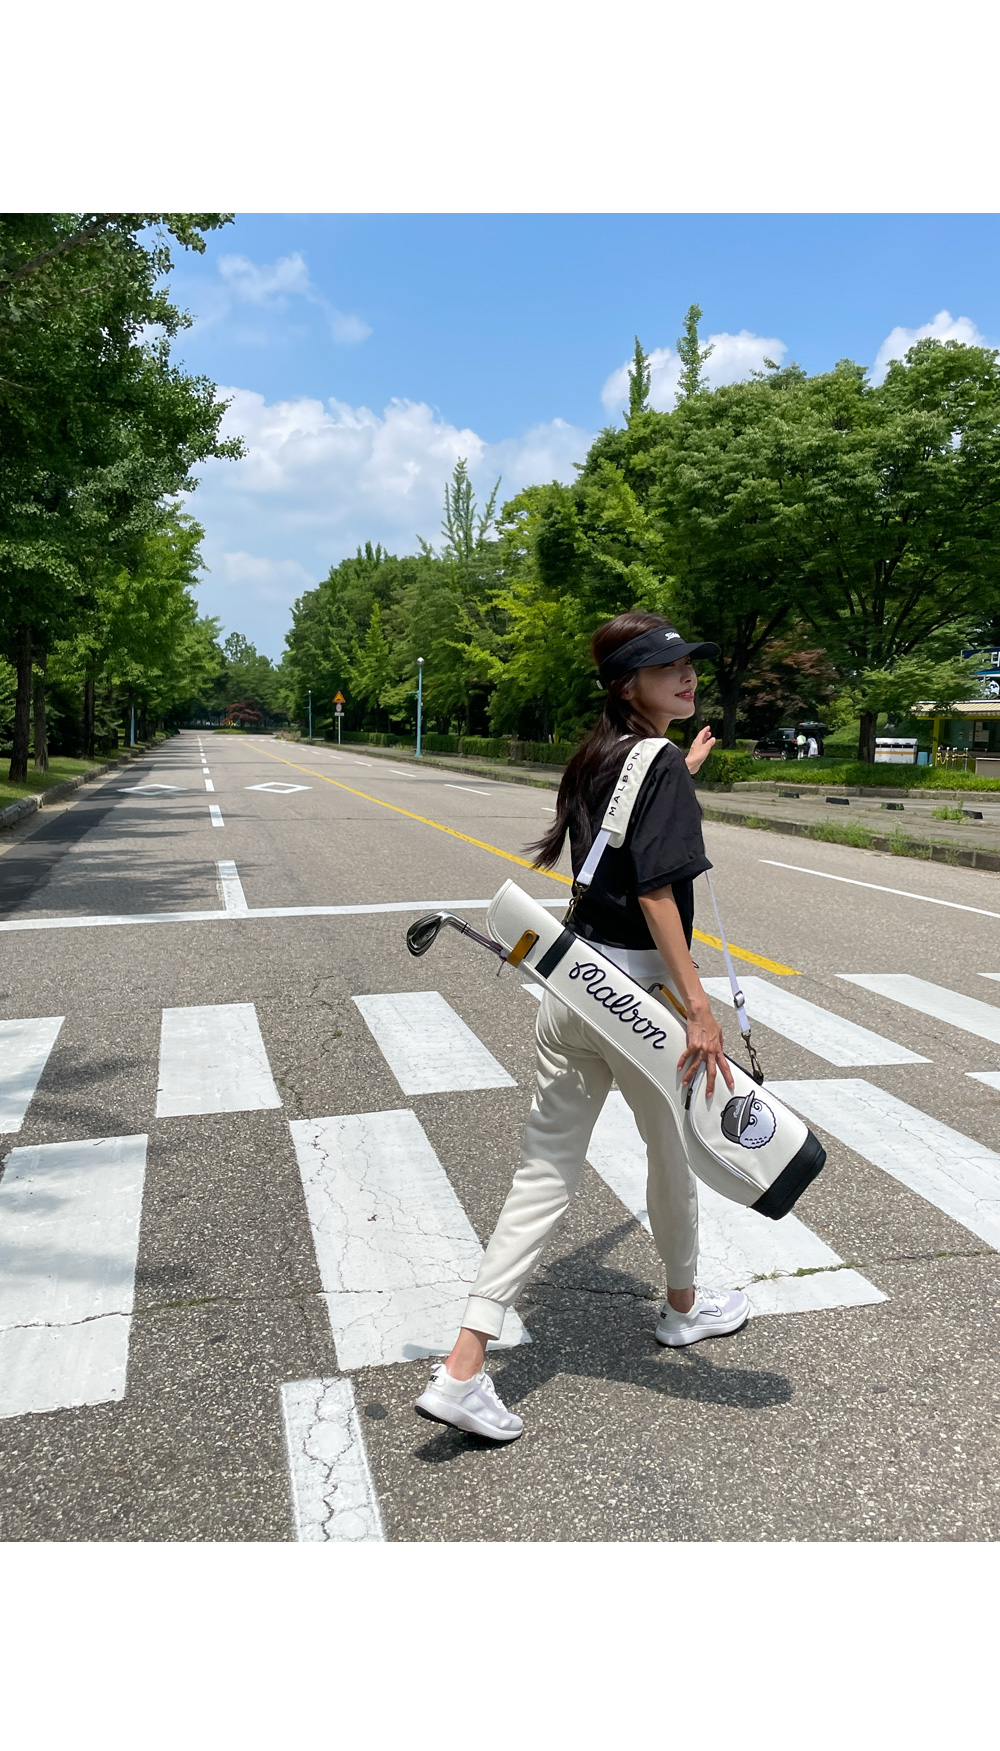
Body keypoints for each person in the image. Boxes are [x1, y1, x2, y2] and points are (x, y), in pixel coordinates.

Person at [415, 611, 751, 1443]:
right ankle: (682, 1307)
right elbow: (655, 893)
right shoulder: (655, 763)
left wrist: (681, 770)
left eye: (689, 664)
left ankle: (462, 1366)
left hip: (573, 987)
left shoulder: (601, 756)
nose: (688, 675)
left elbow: (622, 840)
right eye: (667, 667)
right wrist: (699, 1008)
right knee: (671, 1152)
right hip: (638, 999)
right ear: (627, 683)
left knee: (543, 1172)